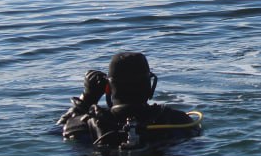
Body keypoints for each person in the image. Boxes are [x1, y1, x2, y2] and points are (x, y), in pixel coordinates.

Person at [57, 51, 202, 150]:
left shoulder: (83, 125)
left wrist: (86, 99)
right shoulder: (178, 121)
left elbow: (55, 133)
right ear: (150, 86)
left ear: (108, 89)